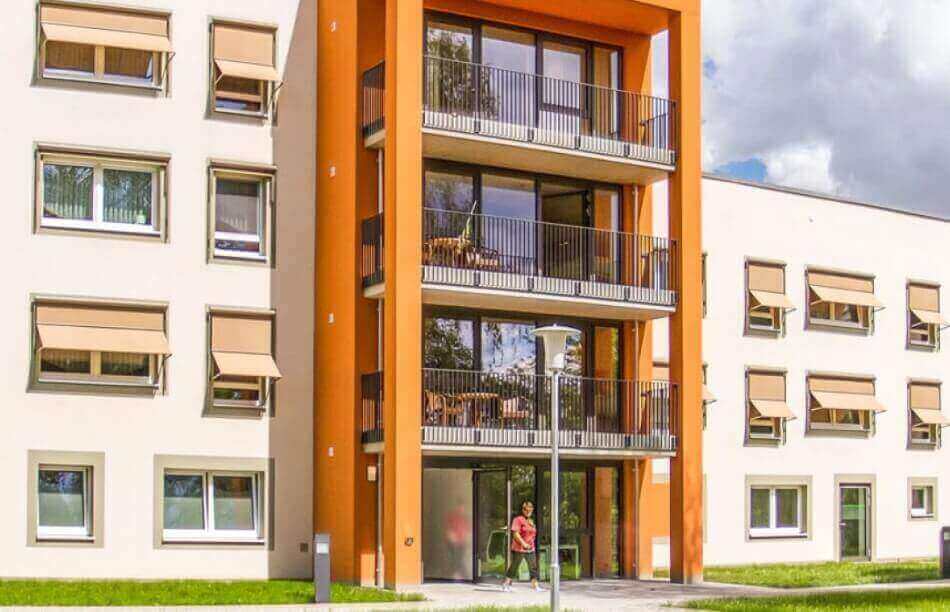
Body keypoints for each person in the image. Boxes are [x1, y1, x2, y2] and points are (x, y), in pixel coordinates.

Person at [502, 500, 542, 592]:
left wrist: (530, 545)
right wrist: (523, 544)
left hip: (530, 548)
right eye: (526, 510)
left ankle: (535, 586)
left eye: (530, 509)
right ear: (522, 510)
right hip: (519, 548)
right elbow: (515, 534)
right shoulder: (518, 519)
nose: (528, 511)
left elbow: (532, 534)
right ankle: (506, 584)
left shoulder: (531, 521)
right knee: (514, 566)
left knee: (533, 567)